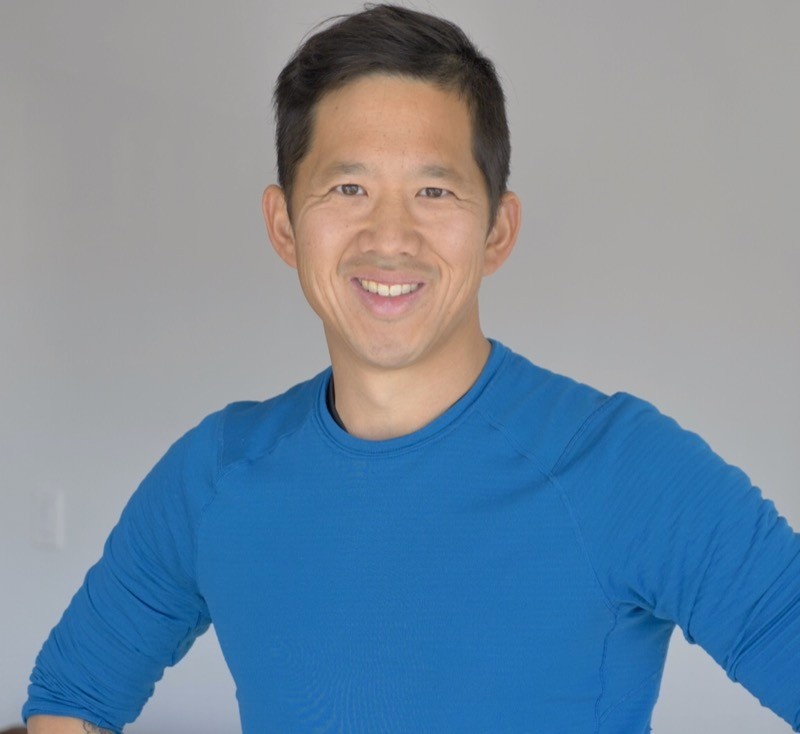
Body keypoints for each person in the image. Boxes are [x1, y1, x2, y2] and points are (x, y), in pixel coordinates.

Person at [23, 4, 800, 733]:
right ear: (284, 225)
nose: (389, 236)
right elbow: (72, 698)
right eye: (348, 187)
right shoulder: (214, 475)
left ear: (497, 230)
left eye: (434, 190)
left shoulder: (620, 467)